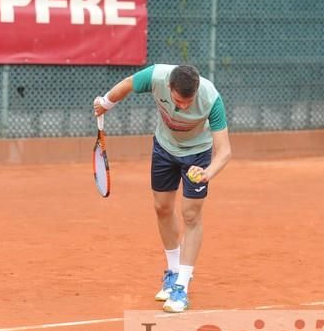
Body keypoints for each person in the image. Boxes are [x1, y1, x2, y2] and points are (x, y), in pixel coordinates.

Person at [93, 64, 231, 312]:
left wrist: (207, 173)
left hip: (197, 155)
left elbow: (225, 151)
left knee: (191, 215)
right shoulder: (156, 76)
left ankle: (182, 286)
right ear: (169, 87)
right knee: (162, 208)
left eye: (189, 101)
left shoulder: (211, 98)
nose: (184, 107)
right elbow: (127, 84)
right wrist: (106, 102)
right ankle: (172, 272)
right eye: (179, 100)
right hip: (164, 149)